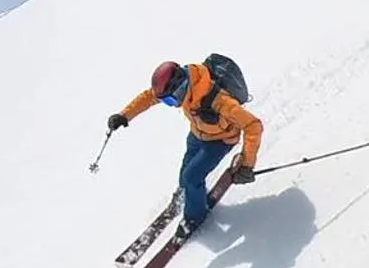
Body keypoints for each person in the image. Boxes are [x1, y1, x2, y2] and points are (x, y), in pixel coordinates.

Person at [107, 56, 262, 238]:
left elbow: (253, 126)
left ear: (180, 88)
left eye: (171, 102)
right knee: (186, 169)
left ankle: (194, 217)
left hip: (220, 140)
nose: (172, 105)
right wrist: (124, 115)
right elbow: (150, 96)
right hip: (197, 134)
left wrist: (247, 164)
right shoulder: (184, 88)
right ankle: (185, 194)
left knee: (192, 176)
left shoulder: (220, 101)